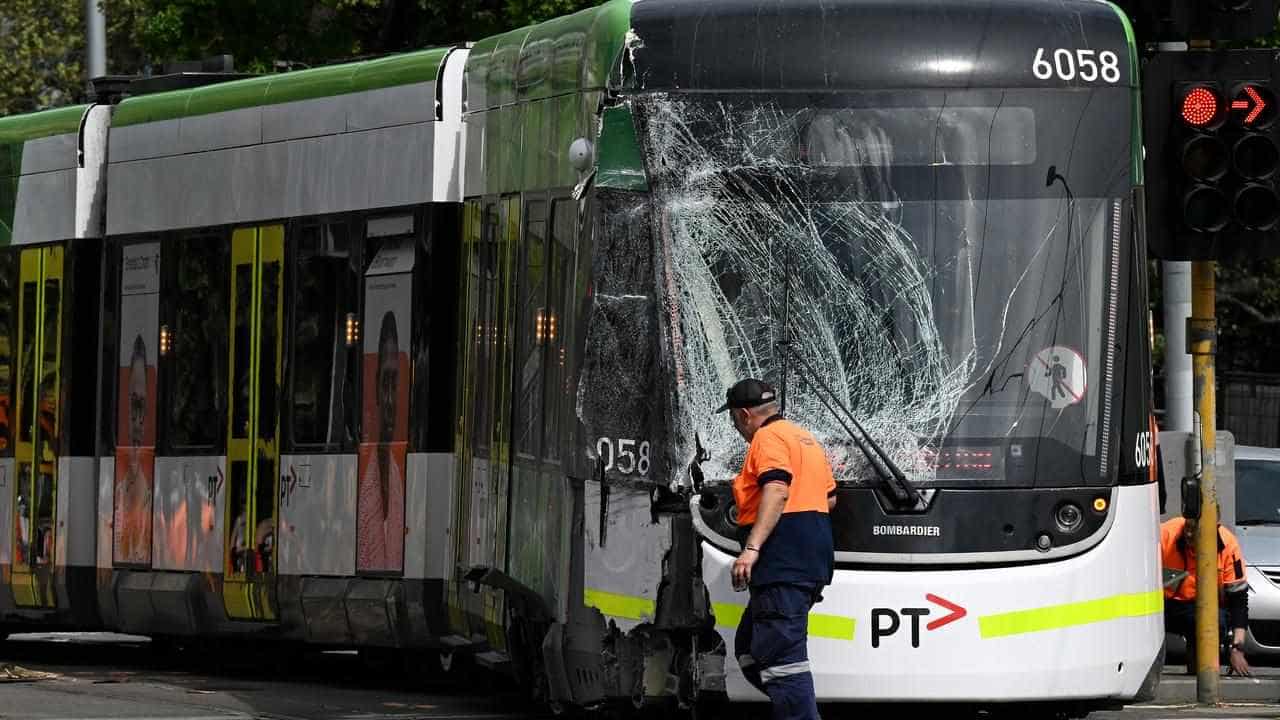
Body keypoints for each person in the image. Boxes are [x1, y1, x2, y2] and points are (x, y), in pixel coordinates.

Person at [718, 378, 835, 720]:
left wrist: (751, 548)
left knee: (783, 661)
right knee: (750, 648)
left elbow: (777, 489)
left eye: (734, 420)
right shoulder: (804, 438)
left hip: (782, 562)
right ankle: (790, 706)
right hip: (811, 558)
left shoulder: (766, 438)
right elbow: (830, 497)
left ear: (743, 415)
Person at [1160, 510, 1252, 676]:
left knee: (1215, 620)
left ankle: (1202, 669)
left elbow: (1238, 600)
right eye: (1187, 527)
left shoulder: (1228, 545)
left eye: (1195, 529)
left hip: (1206, 611)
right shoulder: (1166, 534)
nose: (1188, 533)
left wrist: (1237, 648)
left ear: (1213, 528)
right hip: (1165, 606)